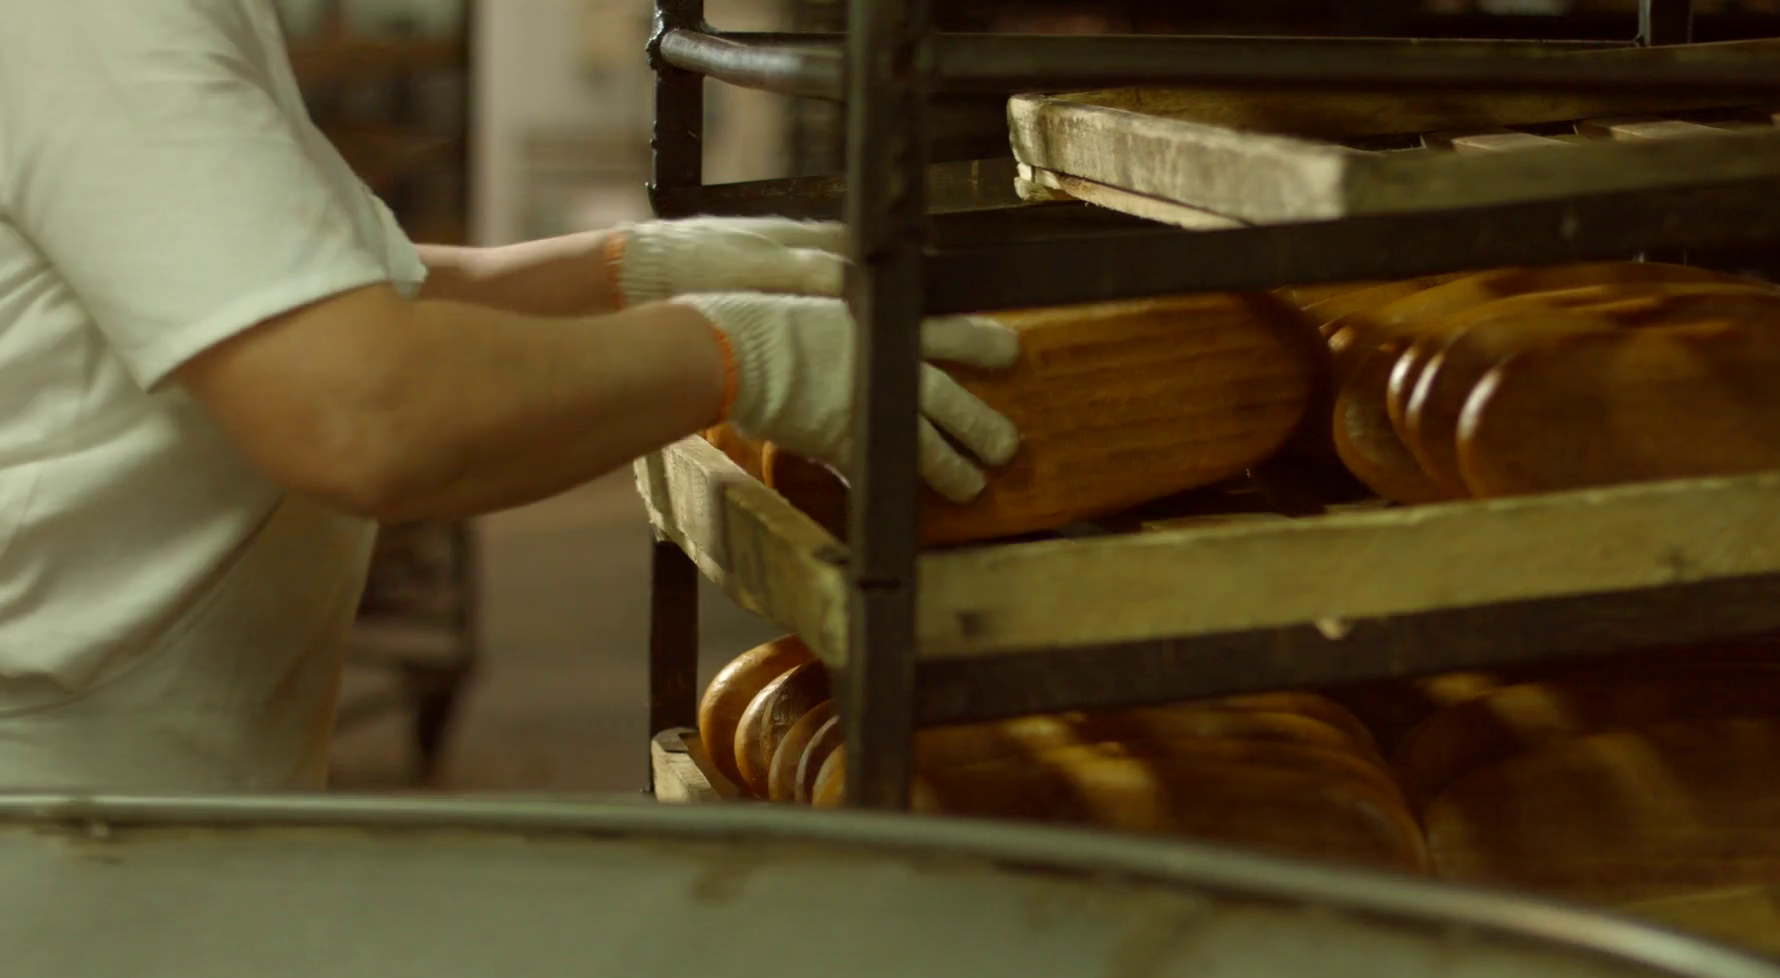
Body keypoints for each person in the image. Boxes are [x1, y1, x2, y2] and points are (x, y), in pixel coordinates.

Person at [0, 0, 1021, 792]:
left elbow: (259, 292)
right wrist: (745, 359)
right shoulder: (96, 22)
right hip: (67, 829)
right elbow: (365, 413)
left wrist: (625, 267)